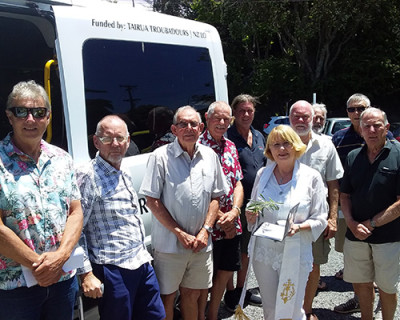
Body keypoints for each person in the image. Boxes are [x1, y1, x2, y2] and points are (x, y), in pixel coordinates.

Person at [0, 80, 83, 320]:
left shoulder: (62, 159)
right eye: (21, 111)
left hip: (62, 280)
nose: (30, 119)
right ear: (9, 116)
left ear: (47, 117)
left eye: (38, 112)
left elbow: (75, 212)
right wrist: (40, 265)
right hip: (15, 289)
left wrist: (60, 258)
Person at [139, 106, 228, 320]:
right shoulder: (160, 157)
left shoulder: (210, 156)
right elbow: (152, 200)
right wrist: (179, 232)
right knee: (167, 297)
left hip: (201, 243)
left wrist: (206, 230)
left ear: (201, 128)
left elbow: (216, 197)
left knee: (193, 294)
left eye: (193, 124)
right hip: (170, 245)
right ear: (174, 129)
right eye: (182, 124)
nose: (188, 128)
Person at [76, 115, 165, 320]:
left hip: (141, 261)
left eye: (120, 138)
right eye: (108, 139)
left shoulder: (122, 168)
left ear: (128, 141)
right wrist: (86, 274)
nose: (115, 144)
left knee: (156, 316)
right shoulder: (87, 175)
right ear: (96, 142)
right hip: (112, 267)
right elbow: (76, 229)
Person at [245, 125, 327, 320]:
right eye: (276, 145)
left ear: (296, 146)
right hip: (264, 252)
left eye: (286, 144)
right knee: (271, 308)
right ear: (269, 150)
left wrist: (298, 227)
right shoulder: (262, 175)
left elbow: (321, 218)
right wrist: (251, 215)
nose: (281, 149)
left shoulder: (311, 177)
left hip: (295, 251)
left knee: (291, 307)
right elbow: (254, 208)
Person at [340, 107, 400, 320]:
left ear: (386, 128)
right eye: (367, 126)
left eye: (377, 125)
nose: (372, 130)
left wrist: (371, 223)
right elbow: (344, 195)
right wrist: (351, 223)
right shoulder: (353, 157)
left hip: (389, 237)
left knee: (386, 287)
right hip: (355, 235)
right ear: (361, 130)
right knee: (361, 284)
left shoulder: (398, 155)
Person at [289, 100, 343, 320]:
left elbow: (333, 184)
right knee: (286, 265)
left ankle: (306, 310)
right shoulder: (280, 142)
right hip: (287, 219)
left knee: (313, 266)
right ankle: (287, 310)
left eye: (305, 116)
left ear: (313, 118)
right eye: (296, 116)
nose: (301, 120)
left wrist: (332, 218)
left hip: (317, 219)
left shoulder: (326, 145)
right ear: (289, 117)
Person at [198, 101, 244, 320]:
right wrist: (220, 219)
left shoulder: (231, 146)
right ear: (207, 118)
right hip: (207, 223)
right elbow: (198, 191)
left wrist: (234, 212)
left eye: (227, 119)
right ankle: (200, 314)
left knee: (227, 268)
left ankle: (213, 314)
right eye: (218, 118)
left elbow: (238, 183)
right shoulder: (197, 146)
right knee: (205, 275)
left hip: (231, 220)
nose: (222, 123)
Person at [331, 93, 370, 313]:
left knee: (372, 250)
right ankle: (360, 297)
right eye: (352, 109)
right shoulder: (338, 138)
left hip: (375, 205)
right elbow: (333, 175)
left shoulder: (383, 133)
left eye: (361, 108)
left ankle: (364, 297)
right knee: (349, 250)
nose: (357, 113)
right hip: (346, 203)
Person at [225, 94, 264, 310]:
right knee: (232, 248)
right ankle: (229, 292)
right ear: (234, 113)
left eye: (250, 110)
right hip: (233, 204)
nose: (246, 114)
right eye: (241, 110)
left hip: (256, 203)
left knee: (247, 249)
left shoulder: (259, 136)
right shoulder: (228, 138)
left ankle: (242, 289)